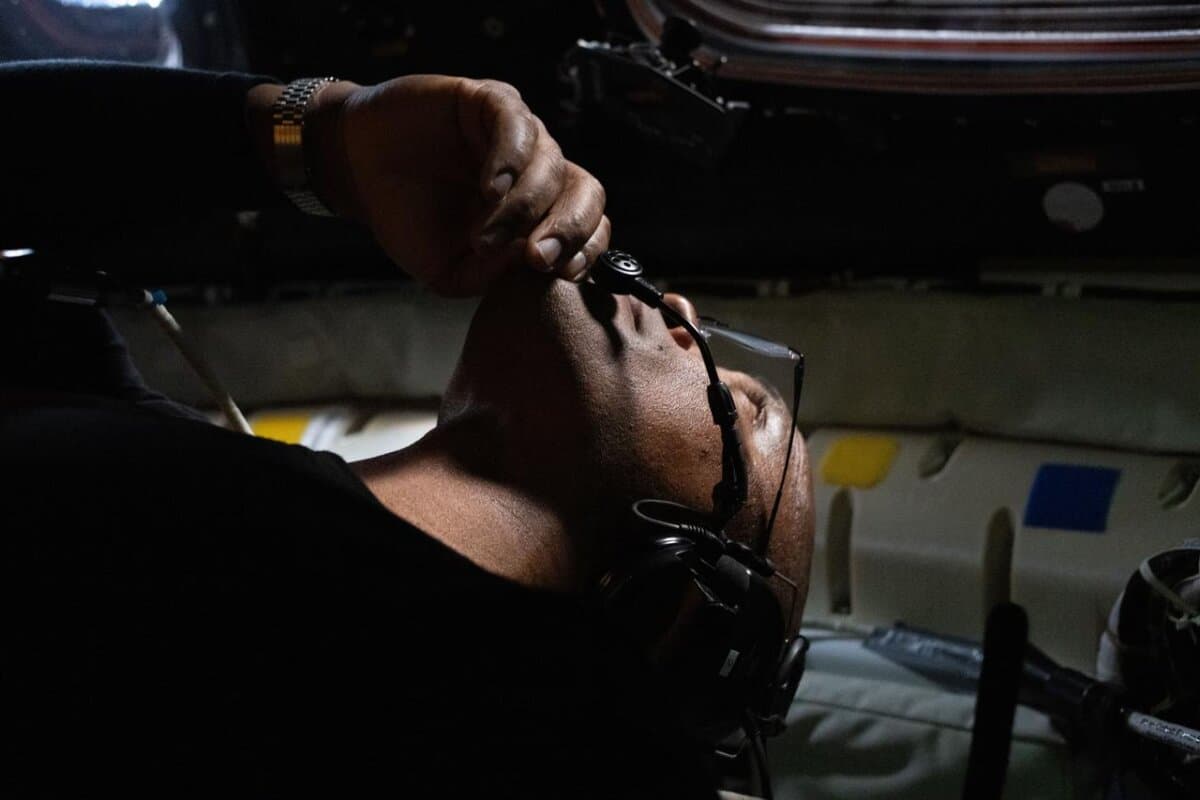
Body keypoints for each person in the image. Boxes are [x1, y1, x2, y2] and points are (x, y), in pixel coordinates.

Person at [1, 61, 813, 797]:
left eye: (747, 406)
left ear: (687, 595)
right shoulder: (113, 408)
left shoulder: (510, 730)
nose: (680, 313)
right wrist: (324, 138)